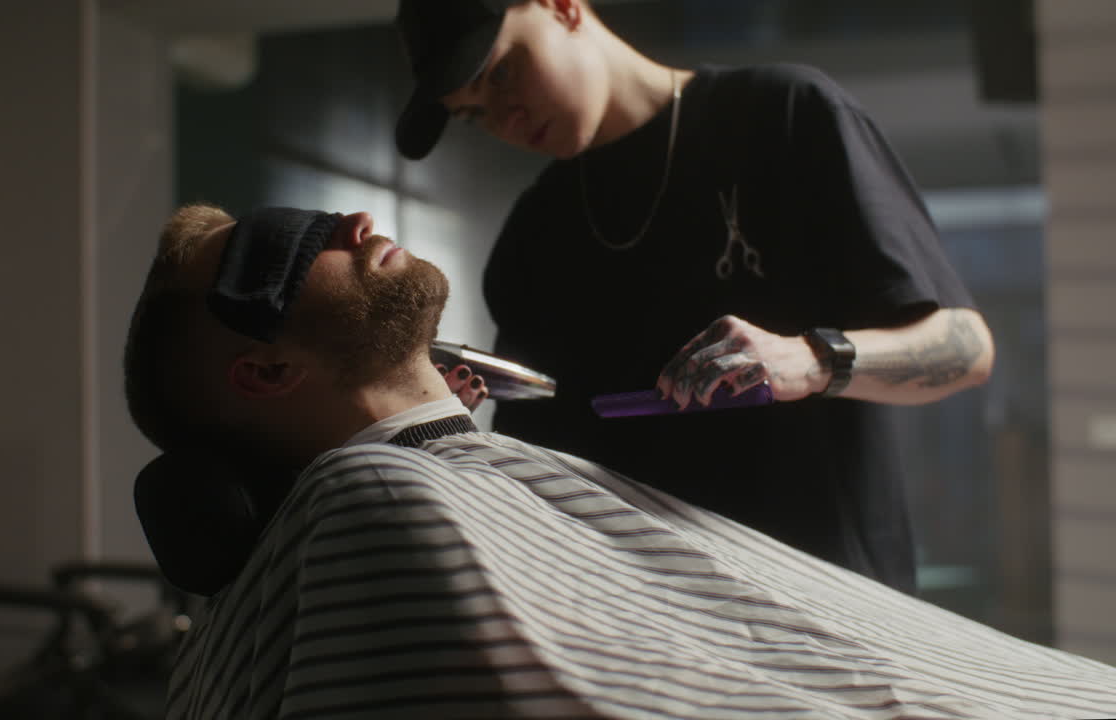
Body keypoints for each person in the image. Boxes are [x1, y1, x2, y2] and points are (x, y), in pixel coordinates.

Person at [122, 203, 1116, 720]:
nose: (344, 224)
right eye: (277, 261)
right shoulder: (370, 501)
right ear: (263, 369)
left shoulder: (433, 484)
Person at [393, 0, 996, 594]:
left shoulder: (784, 115)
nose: (507, 119)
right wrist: (453, 423)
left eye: (501, 72)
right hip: (652, 643)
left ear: (562, 7)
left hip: (831, 620)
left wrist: (812, 361)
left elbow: (965, 350)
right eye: (475, 115)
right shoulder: (533, 235)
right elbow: (541, 476)